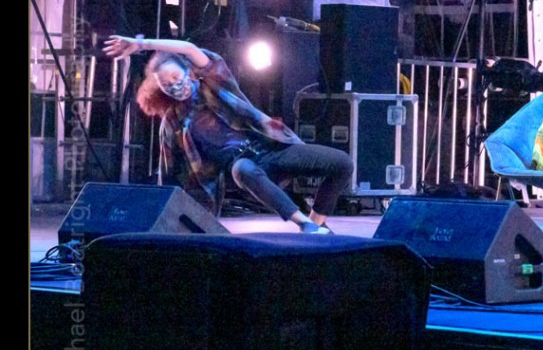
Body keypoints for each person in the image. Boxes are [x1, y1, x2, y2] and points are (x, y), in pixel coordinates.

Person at [102, 35, 354, 234]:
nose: (175, 86)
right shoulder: (173, 122)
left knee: (342, 163)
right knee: (243, 168)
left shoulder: (215, 82)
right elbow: (169, 175)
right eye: (167, 86)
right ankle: (304, 225)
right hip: (240, 171)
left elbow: (189, 48)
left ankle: (316, 223)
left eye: (177, 77)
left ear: (189, 72)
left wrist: (141, 44)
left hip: (270, 149)